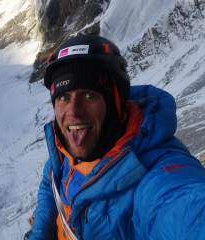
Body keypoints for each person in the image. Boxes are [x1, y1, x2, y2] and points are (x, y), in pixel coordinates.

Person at [26, 34, 205, 240]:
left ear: (115, 104)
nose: (74, 112)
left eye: (89, 96)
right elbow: (51, 184)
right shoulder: (62, 155)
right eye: (64, 97)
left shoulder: (153, 175)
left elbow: (186, 208)